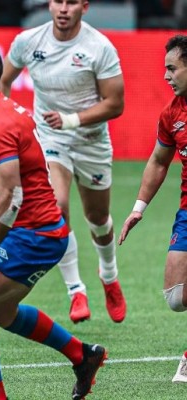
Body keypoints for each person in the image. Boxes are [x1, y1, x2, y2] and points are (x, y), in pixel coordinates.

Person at [0, 41, 106, 400]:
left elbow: (11, 197)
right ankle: (83, 356)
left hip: (35, 234)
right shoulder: (4, 111)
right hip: (41, 229)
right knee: (0, 311)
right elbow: (17, 184)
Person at [0, 0, 127, 324]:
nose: (63, 8)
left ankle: (109, 276)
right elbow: (2, 81)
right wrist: (11, 119)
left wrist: (71, 120)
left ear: (84, 6)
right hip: (51, 139)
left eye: (72, 2)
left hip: (91, 141)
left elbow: (115, 103)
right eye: (58, 1)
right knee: (57, 206)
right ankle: (76, 291)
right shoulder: (29, 41)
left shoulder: (99, 47)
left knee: (97, 218)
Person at [118, 34, 187, 384]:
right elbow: (159, 162)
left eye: (172, 68)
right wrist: (138, 208)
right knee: (176, 297)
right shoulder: (172, 114)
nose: (166, 76)